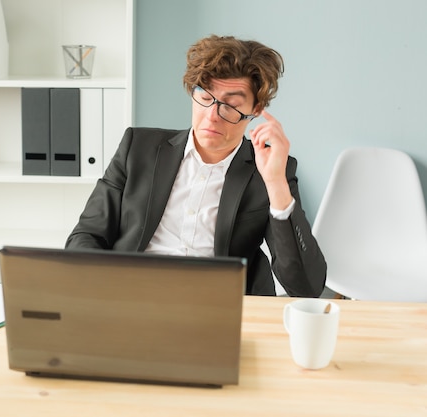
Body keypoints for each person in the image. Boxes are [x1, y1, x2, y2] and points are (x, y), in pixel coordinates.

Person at [65, 35, 326, 297]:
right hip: (132, 294)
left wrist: (276, 184)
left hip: (217, 304)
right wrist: (101, 290)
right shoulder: (138, 147)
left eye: (231, 105)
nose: (212, 116)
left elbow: (305, 286)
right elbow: (88, 235)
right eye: (205, 96)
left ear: (255, 109)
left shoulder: (270, 170)